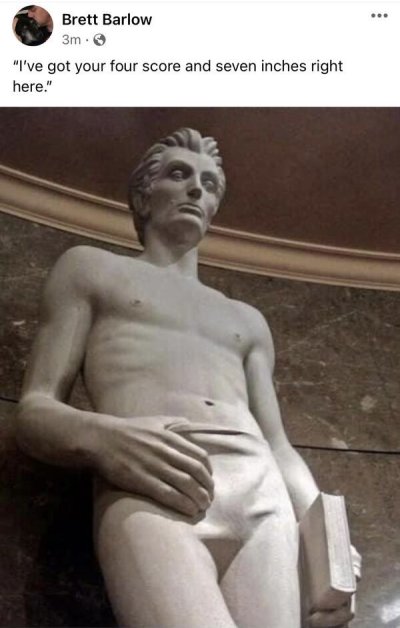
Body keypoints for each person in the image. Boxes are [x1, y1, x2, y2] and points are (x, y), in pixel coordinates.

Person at [17, 128, 357, 628]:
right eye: (179, 174)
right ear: (143, 196)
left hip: (262, 494)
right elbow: (35, 408)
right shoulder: (90, 270)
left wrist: (328, 539)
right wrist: (104, 438)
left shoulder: (246, 320)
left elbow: (279, 445)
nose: (197, 188)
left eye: (210, 183)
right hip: (155, 481)